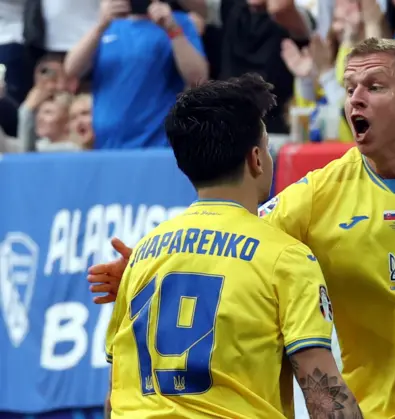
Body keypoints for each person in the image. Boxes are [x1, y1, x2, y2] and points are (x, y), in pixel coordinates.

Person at [89, 38, 395, 418]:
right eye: (350, 86)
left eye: (374, 86)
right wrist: (149, 267)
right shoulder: (317, 194)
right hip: (369, 409)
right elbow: (234, 235)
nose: (355, 97)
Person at [101, 74, 362, 419]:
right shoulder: (285, 257)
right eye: (267, 147)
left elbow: (115, 393)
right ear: (256, 158)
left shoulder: (143, 254)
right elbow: (324, 396)